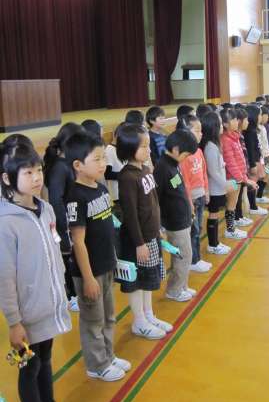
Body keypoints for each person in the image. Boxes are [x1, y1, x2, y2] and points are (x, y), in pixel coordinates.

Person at [0, 140, 71, 402]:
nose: (37, 178)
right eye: (27, 173)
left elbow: (54, 254)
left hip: (47, 307)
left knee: (45, 361)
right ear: (7, 178)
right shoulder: (6, 223)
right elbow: (5, 278)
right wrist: (14, 322)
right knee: (29, 369)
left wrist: (61, 292)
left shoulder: (46, 208)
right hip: (26, 315)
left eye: (38, 170)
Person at [65, 131, 131, 382]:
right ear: (78, 165)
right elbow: (78, 242)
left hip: (106, 265)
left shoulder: (101, 189)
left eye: (104, 158)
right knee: (93, 320)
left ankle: (108, 355)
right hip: (89, 272)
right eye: (97, 159)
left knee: (108, 316)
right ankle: (97, 364)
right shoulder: (75, 197)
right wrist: (88, 277)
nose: (103, 164)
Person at [117, 124, 172, 339]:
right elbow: (130, 214)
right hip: (137, 241)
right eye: (143, 146)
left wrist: (158, 229)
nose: (148, 150)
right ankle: (139, 321)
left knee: (149, 279)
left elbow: (154, 202)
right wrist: (139, 243)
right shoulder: (127, 177)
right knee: (137, 282)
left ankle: (148, 315)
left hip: (151, 236)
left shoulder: (146, 169)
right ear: (129, 148)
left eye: (148, 145)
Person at [44, 122, 84, 312]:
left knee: (72, 258)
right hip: (64, 223)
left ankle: (74, 293)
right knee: (67, 259)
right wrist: (64, 228)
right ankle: (70, 296)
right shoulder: (59, 167)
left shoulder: (65, 163)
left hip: (70, 220)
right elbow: (55, 200)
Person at [154, 130, 198, 302]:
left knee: (185, 255)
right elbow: (156, 199)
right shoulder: (162, 168)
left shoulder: (173, 165)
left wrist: (189, 207)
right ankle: (174, 290)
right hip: (174, 223)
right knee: (182, 256)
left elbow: (179, 190)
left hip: (182, 220)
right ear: (176, 149)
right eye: (185, 155)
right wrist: (159, 225)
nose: (186, 159)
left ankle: (182, 286)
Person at [177, 115, 213, 273]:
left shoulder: (198, 151)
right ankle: (193, 260)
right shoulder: (184, 156)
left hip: (200, 196)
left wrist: (206, 190)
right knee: (194, 230)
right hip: (191, 199)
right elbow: (185, 181)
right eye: (197, 130)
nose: (201, 134)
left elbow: (204, 172)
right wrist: (189, 202)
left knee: (199, 228)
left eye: (201, 130)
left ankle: (197, 258)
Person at [200, 111, 237, 253]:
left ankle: (215, 243)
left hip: (218, 187)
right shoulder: (210, 147)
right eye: (220, 124)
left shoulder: (215, 144)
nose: (222, 126)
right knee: (213, 214)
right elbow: (213, 171)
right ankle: (213, 245)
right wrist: (225, 184)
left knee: (215, 214)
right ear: (213, 127)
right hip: (214, 188)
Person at [219, 108, 248, 239]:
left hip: (239, 177)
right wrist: (240, 178)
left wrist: (243, 176)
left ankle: (232, 228)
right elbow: (230, 162)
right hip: (233, 179)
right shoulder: (225, 140)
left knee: (234, 203)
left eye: (237, 119)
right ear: (225, 124)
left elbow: (240, 159)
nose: (237, 122)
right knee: (231, 204)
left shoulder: (234, 137)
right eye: (234, 120)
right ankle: (230, 230)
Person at [244, 105, 268, 216]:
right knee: (252, 183)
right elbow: (250, 150)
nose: (260, 117)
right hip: (254, 161)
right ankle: (253, 206)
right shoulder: (250, 132)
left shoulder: (254, 130)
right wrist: (253, 164)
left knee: (257, 181)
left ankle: (255, 202)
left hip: (258, 159)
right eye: (259, 114)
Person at [104, 122, 126, 221]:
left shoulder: (121, 149)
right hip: (117, 194)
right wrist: (126, 174)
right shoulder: (109, 150)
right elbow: (107, 174)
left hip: (125, 191)